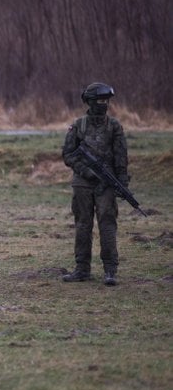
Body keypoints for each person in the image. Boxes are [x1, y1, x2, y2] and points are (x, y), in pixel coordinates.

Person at [61, 82, 129, 286]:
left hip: (106, 184)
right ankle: (82, 269)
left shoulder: (114, 126)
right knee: (83, 225)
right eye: (100, 101)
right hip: (83, 183)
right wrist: (86, 171)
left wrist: (122, 182)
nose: (104, 104)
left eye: (106, 101)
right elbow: (68, 154)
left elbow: (121, 156)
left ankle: (110, 270)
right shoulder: (79, 125)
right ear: (90, 101)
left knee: (107, 225)